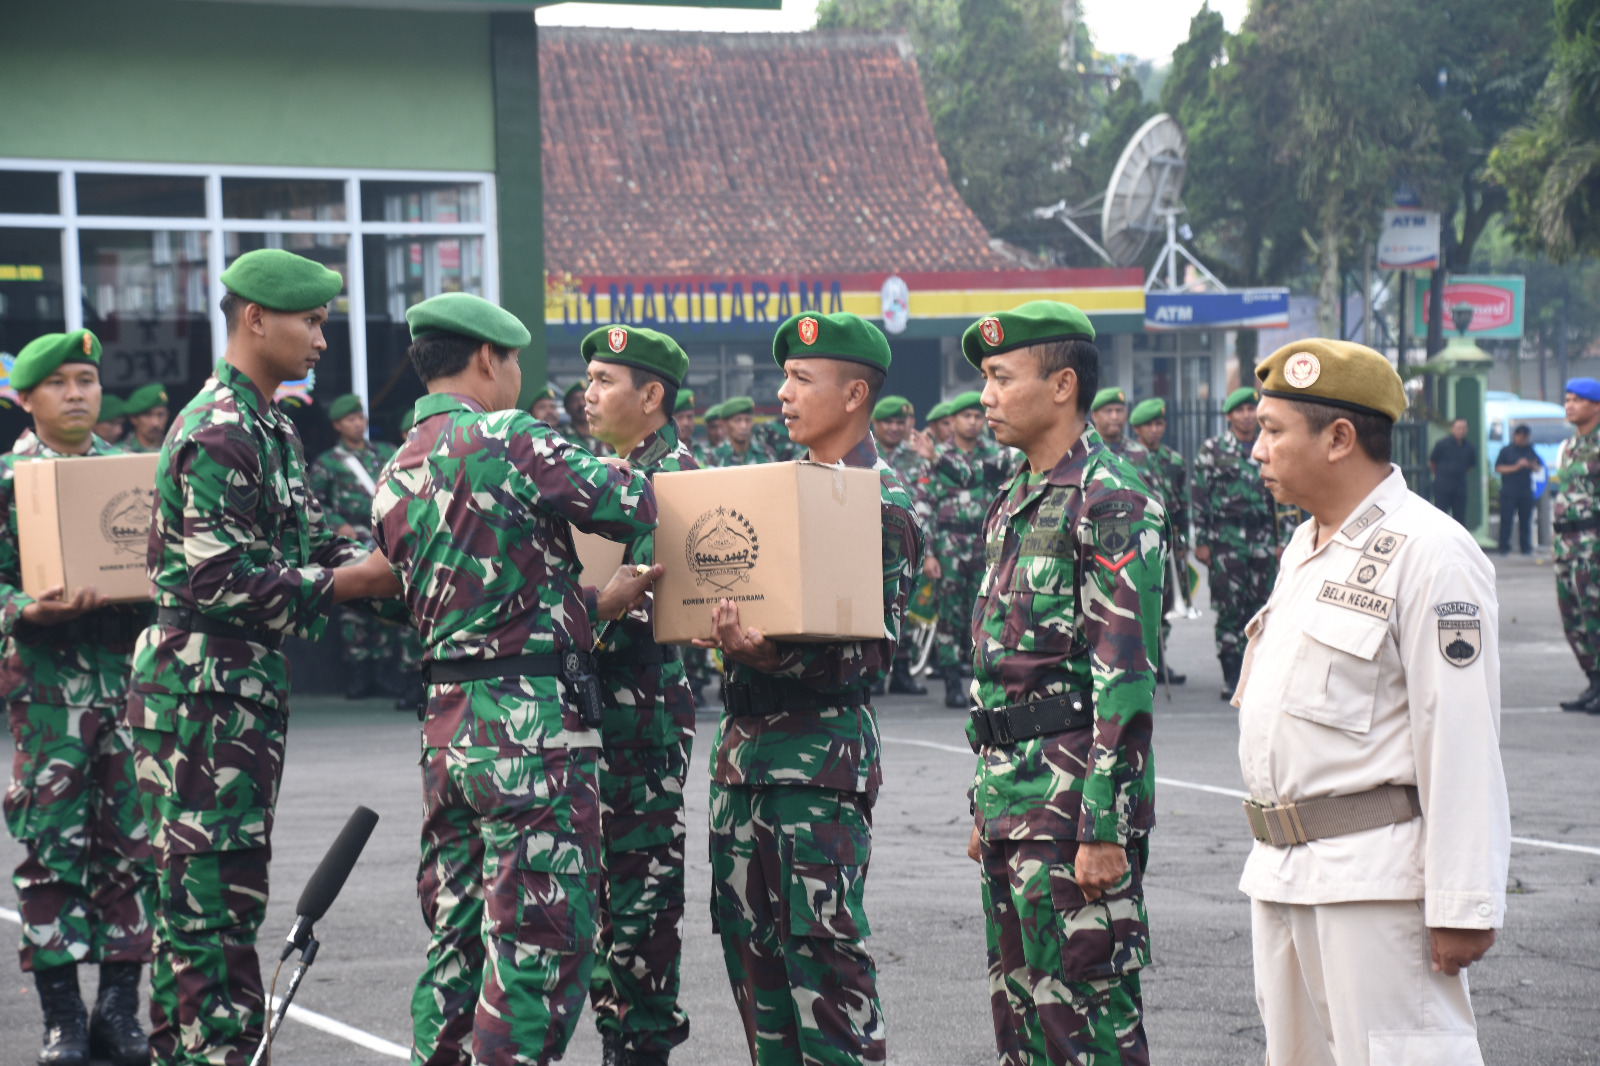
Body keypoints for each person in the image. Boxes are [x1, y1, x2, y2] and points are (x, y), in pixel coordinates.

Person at [126, 248, 403, 1066]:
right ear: (255, 319)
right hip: (201, 696)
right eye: (310, 322)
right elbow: (219, 578)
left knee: (223, 903)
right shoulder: (219, 429)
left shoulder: (271, 426)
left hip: (234, 695)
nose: (322, 340)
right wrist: (349, 582)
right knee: (208, 911)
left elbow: (317, 540)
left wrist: (407, 567)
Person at [371, 293, 661, 1066]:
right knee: (539, 939)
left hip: (449, 726)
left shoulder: (396, 467)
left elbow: (481, 600)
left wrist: (592, 602)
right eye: (516, 364)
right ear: (489, 359)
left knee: (460, 935)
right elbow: (630, 502)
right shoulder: (505, 435)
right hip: (529, 730)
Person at [1236, 338, 1509, 1065]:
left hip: (1373, 884)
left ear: (1339, 439)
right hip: (1285, 871)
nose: (1256, 449)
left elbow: (1458, 732)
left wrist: (1461, 903)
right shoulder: (1306, 546)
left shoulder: (1431, 551)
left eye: (1272, 430)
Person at [696, 311, 922, 1066]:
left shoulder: (880, 504)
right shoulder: (774, 492)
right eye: (782, 378)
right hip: (743, 764)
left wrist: (759, 654)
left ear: (855, 393)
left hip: (818, 768)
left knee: (827, 983)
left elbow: (861, 659)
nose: (782, 394)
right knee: (755, 981)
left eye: (802, 379)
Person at [963, 302, 1164, 1066]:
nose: (985, 397)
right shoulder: (1015, 500)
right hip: (1013, 805)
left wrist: (1105, 825)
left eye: (1000, 378)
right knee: (1023, 1024)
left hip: (1075, 809)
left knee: (1089, 1026)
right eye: (985, 379)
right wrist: (982, 802)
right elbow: (998, 671)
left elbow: (1125, 679)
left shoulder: (1108, 498)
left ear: (1062, 385)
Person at [1, 331, 153, 1066]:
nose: (77, 394)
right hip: (49, 695)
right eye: (57, 383)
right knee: (51, 847)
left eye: (87, 379)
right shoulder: (8, 481)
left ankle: (119, 1009)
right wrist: (23, 610)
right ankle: (61, 1016)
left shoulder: (131, 479)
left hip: (129, 690)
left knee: (133, 846)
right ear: (24, 399)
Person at [579, 324, 698, 1066]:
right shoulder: (608, 471)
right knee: (608, 895)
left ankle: (642, 1039)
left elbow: (657, 608)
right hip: (605, 715)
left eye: (603, 381)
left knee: (639, 892)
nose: (587, 394)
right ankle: (623, 1031)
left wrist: (579, 608)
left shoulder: (672, 482)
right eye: (587, 379)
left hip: (640, 719)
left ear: (650, 396)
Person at [308, 393, 405, 702]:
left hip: (385, 538)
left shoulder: (387, 453)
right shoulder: (327, 464)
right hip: (350, 541)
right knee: (356, 611)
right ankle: (358, 676)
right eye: (350, 419)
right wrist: (338, 523)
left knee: (388, 598)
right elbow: (314, 503)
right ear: (337, 425)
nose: (358, 423)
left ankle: (385, 674)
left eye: (360, 417)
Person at [1193, 386, 1281, 700]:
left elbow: (1283, 499)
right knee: (1229, 609)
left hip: (1262, 540)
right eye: (1239, 410)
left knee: (1260, 607)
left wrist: (1281, 539)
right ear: (1229, 415)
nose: (1245, 415)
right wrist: (1201, 541)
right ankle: (1231, 673)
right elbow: (1200, 497)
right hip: (1225, 541)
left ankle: (1256, 671)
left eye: (1250, 409)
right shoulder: (1212, 450)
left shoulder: (1272, 446)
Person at [929, 390, 1011, 708]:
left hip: (985, 544)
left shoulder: (994, 454)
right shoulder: (936, 455)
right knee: (950, 614)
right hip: (950, 545)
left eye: (978, 416)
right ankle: (951, 683)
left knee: (987, 612)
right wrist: (931, 552)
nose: (974, 422)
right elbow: (927, 503)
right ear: (953, 421)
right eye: (967, 416)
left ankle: (984, 681)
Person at [872, 395, 931, 696]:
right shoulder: (866, 454)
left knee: (906, 602)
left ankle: (902, 671)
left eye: (899, 422)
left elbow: (926, 501)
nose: (894, 428)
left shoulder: (915, 455)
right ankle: (873, 670)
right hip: (877, 539)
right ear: (875, 423)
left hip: (910, 538)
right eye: (887, 422)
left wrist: (928, 551)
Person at [1129, 397, 1188, 685]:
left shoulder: (1174, 461)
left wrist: (1184, 541)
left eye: (1159, 423)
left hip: (1167, 543)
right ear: (1137, 429)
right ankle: (1139, 663)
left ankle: (1160, 660)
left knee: (1164, 604)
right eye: (1148, 425)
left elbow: (1181, 506)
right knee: (1136, 603)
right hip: (1137, 544)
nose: (1155, 429)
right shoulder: (1125, 459)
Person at [1552, 377, 1600, 713]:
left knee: (1595, 612)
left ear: (1596, 405)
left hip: (1592, 543)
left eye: (1577, 400)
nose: (1569, 405)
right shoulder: (1568, 447)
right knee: (1574, 618)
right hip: (1565, 544)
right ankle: (1593, 681)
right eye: (1567, 399)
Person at [1493, 424, 1542, 557]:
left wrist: (1530, 465)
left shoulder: (1530, 449)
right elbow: (1498, 468)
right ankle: (1504, 547)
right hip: (1509, 491)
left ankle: (1525, 548)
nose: (1523, 440)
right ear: (1515, 436)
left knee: (1526, 521)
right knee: (1506, 520)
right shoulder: (1506, 450)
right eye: (1521, 437)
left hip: (1525, 491)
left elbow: (1538, 467)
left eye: (1525, 438)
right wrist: (1516, 467)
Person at [1428, 417, 1476, 524]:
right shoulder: (1442, 444)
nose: (1461, 431)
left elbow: (1470, 466)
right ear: (1452, 429)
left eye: (1463, 428)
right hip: (1443, 487)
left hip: (1460, 487)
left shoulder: (1470, 447)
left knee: (1460, 518)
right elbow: (1432, 462)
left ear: (1467, 430)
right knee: (1441, 516)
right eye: (1458, 428)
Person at [1089, 387, 1149, 467]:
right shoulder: (1085, 452)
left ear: (1126, 414)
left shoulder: (1140, 452)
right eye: (1108, 411)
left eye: (1119, 410)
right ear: (1094, 416)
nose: (1114, 417)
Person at [707, 396, 774, 467]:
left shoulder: (766, 453)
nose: (744, 426)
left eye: (748, 420)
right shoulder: (713, 457)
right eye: (737, 420)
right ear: (725, 424)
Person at [120, 383, 170, 453]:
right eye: (147, 415)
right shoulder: (118, 452)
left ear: (167, 415)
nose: (155, 423)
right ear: (133, 418)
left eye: (160, 415)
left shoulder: (176, 450)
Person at [564, 378, 607, 453]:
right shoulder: (561, 439)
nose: (582, 403)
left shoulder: (606, 435)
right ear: (567, 408)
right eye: (575, 400)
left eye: (585, 398)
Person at [672, 387, 698, 452]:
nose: (686, 423)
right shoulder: (662, 454)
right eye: (680, 417)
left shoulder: (704, 454)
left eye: (690, 417)